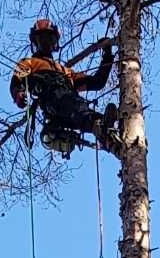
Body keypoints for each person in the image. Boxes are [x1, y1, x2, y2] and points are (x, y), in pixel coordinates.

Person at [8, 18, 120, 156]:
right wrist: (19, 94)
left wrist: (107, 56)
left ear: (54, 42)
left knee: (86, 114)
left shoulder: (65, 71)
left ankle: (112, 138)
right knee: (72, 103)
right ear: (35, 42)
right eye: (41, 38)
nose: (46, 42)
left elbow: (97, 82)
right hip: (54, 103)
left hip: (71, 110)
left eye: (49, 38)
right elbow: (16, 81)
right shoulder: (29, 63)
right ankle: (101, 127)